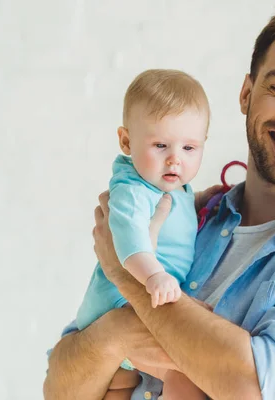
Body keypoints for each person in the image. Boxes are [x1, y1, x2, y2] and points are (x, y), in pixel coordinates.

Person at [44, 2, 275, 399]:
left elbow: (253, 389)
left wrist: (128, 278)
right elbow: (60, 388)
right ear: (246, 94)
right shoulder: (188, 213)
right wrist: (113, 334)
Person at [75, 69, 211, 399]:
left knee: (120, 385)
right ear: (126, 141)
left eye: (190, 148)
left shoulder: (175, 188)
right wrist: (153, 277)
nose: (175, 159)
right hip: (123, 304)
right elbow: (129, 241)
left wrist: (202, 201)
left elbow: (175, 217)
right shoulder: (132, 191)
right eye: (161, 145)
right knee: (185, 372)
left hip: (140, 302)